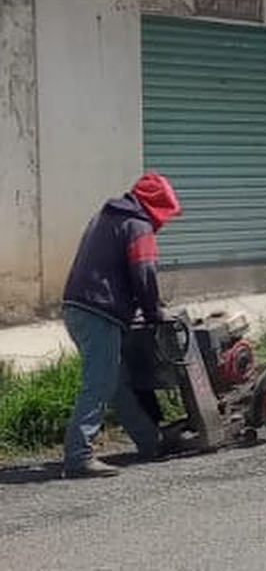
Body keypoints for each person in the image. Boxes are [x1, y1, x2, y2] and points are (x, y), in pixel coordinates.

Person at [61, 172, 182, 478]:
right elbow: (144, 274)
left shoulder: (108, 216)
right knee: (100, 383)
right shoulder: (139, 225)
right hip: (97, 310)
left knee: (117, 382)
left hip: (78, 306)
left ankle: (150, 442)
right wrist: (155, 312)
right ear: (157, 207)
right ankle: (78, 456)